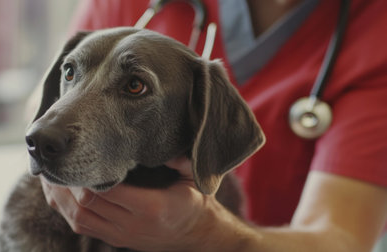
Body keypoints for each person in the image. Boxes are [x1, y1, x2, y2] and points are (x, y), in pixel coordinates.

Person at [40, 0, 387, 251]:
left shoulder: (376, 34)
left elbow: (339, 239)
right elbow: (48, 104)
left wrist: (203, 232)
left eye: (134, 86)